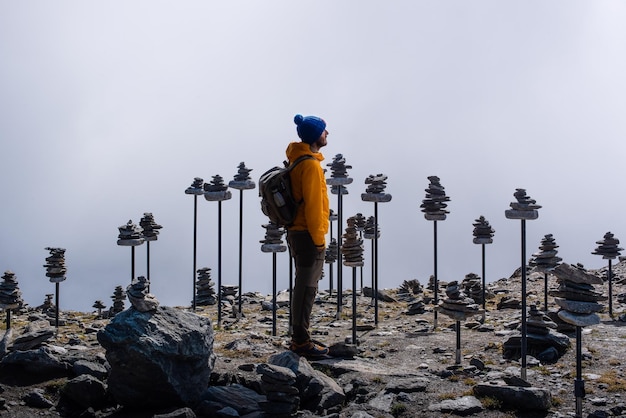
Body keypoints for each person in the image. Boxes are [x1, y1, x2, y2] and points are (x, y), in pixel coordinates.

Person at [286, 113, 330, 358]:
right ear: (315, 137)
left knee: (303, 286)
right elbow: (314, 208)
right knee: (306, 288)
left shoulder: (298, 159)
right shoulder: (311, 166)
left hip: (297, 231)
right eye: (324, 130)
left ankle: (301, 337)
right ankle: (301, 342)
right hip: (308, 235)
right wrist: (319, 240)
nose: (327, 134)